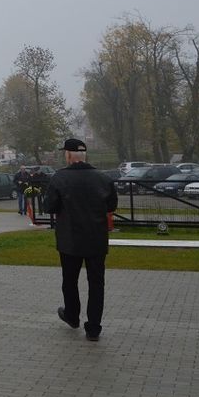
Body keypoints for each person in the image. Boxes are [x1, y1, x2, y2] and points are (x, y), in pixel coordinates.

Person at [46, 138, 119, 342]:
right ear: (84, 156)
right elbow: (111, 206)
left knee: (70, 281)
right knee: (96, 283)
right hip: (96, 239)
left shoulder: (59, 178)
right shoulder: (102, 178)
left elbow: (49, 206)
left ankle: (72, 315)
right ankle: (93, 328)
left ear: (68, 155)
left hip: (70, 240)